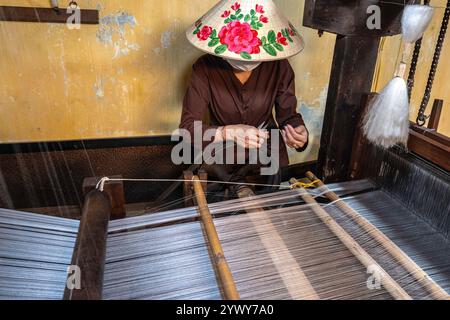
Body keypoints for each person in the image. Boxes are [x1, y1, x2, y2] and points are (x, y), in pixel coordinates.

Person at [180, 0, 308, 197]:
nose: (247, 60)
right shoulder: (204, 68)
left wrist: (299, 133)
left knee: (274, 210)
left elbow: (288, 117)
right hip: (223, 162)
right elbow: (188, 129)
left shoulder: (279, 66)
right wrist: (227, 132)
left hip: (268, 161)